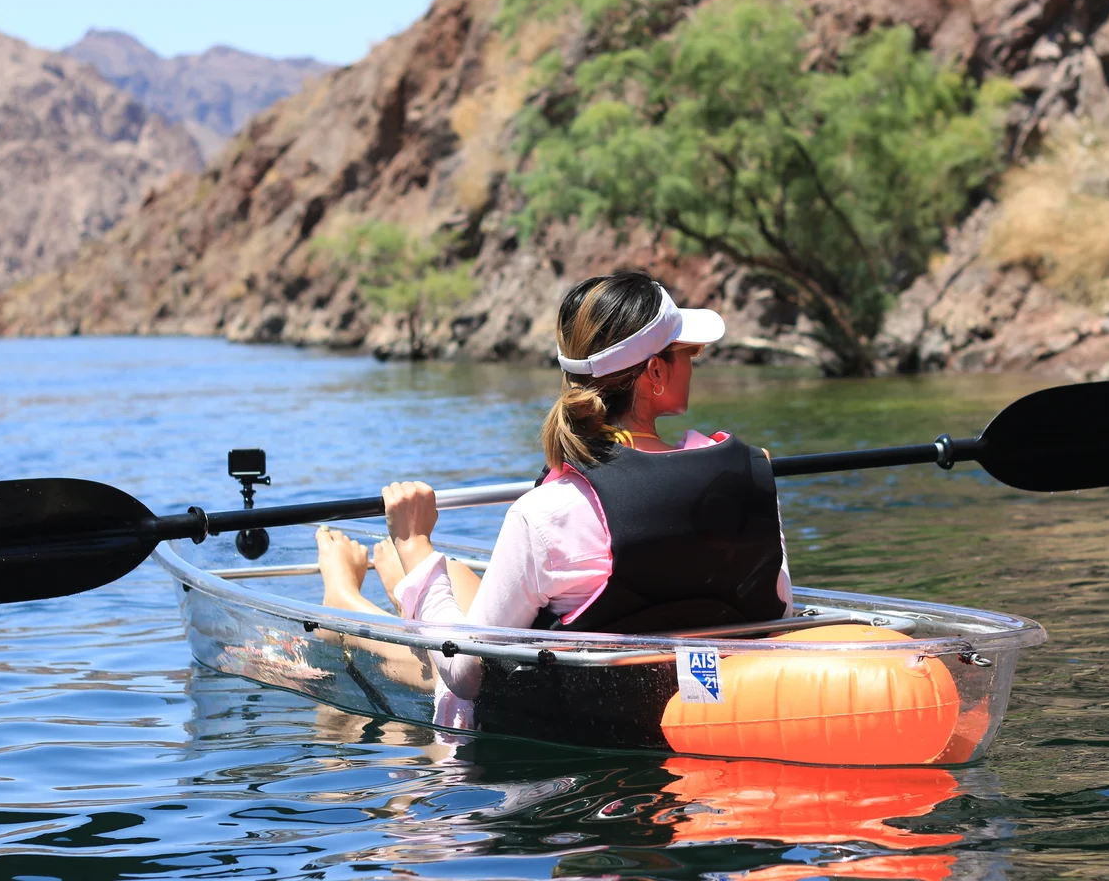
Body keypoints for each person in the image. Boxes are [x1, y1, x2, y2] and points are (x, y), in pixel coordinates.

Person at [316, 269, 792, 719]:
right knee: (457, 573)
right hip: (703, 708)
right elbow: (781, 611)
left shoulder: (548, 511)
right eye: (687, 351)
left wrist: (414, 543)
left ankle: (346, 593)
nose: (696, 360)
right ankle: (407, 587)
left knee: (437, 629)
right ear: (655, 374)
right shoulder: (750, 477)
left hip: (578, 719)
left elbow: (463, 673)